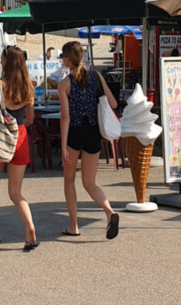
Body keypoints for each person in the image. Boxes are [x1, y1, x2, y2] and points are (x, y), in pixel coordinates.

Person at [56, 41, 120, 240]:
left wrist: (63, 145)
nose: (61, 59)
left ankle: (73, 225)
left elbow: (65, 117)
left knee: (69, 181)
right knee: (90, 183)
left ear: (69, 58)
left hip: (74, 132)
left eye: (63, 56)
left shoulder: (64, 84)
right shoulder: (96, 76)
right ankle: (109, 212)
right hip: (93, 132)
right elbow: (113, 103)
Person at [0, 46, 38, 250]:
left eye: (1, 58)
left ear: (7, 61)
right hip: (20, 135)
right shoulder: (29, 87)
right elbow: (30, 119)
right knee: (16, 192)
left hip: (0, 136)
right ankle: (29, 227)